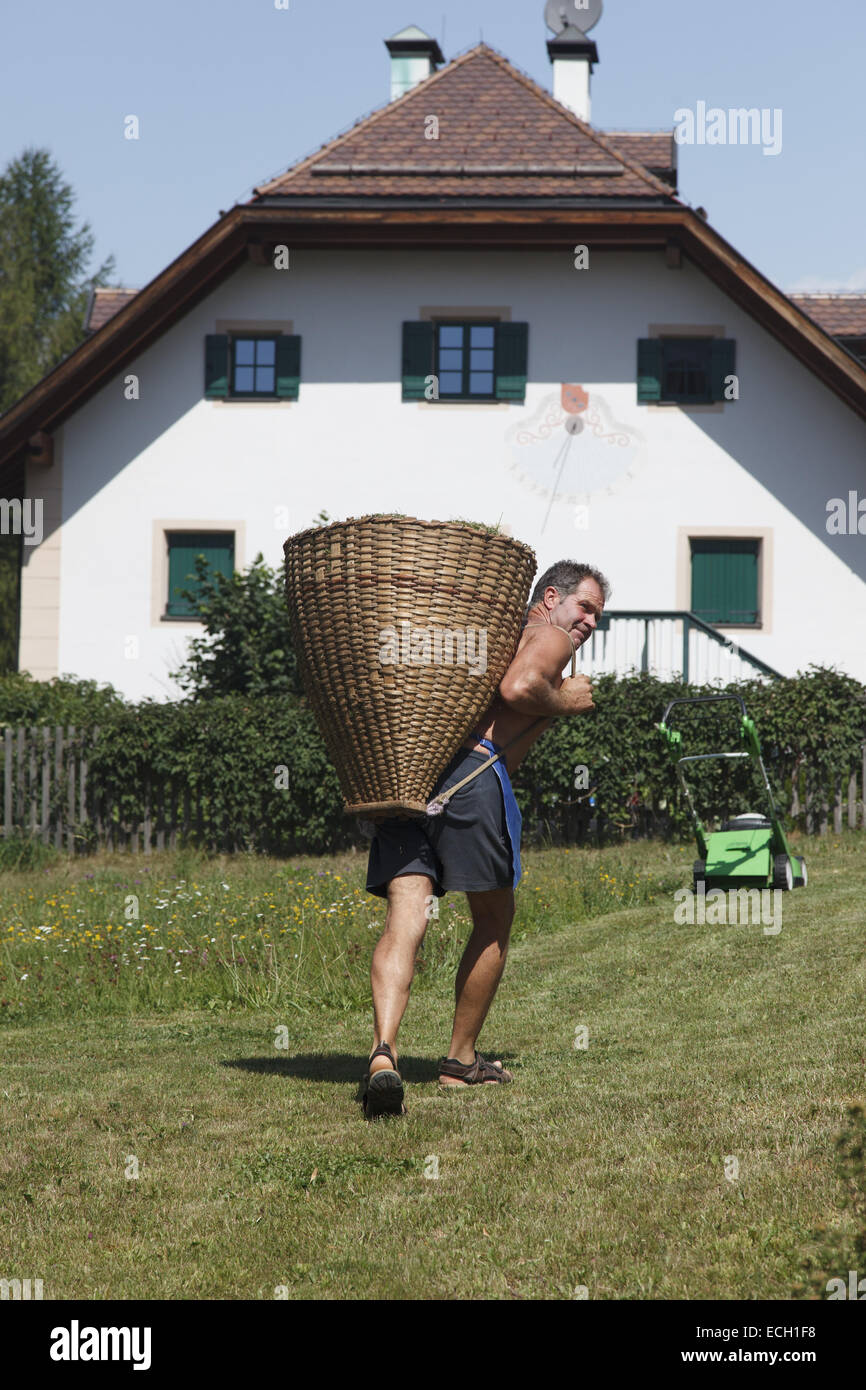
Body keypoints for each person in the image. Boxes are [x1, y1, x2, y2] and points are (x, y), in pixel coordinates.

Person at [360, 560, 610, 1119]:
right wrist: (568, 700)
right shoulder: (546, 636)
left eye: (598, 615)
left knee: (407, 920)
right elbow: (519, 689)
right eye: (585, 608)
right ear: (550, 597)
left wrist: (553, 705)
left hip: (412, 772)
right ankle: (459, 1062)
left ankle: (384, 1053)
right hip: (471, 783)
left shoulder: (489, 637)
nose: (590, 622)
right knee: (493, 921)